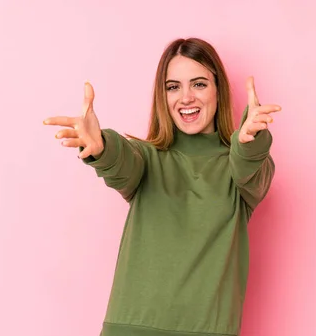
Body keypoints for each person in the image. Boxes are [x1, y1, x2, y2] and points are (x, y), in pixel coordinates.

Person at [43, 37, 280, 336]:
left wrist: (249, 142)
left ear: (218, 90)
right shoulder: (147, 158)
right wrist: (101, 146)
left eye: (199, 84)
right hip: (130, 327)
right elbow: (121, 161)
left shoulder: (238, 169)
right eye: (173, 87)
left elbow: (251, 166)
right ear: (162, 95)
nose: (186, 98)